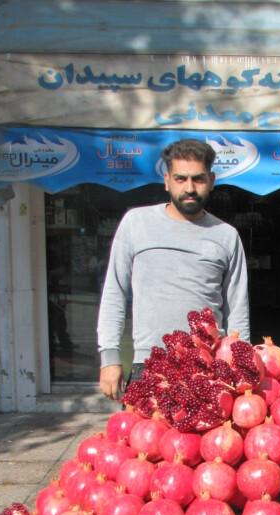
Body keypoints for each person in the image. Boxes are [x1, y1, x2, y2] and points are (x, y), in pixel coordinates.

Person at [97, 138, 250, 399]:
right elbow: (115, 293)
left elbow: (237, 310)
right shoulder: (136, 223)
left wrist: (241, 365)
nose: (189, 188)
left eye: (198, 179)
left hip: (208, 369)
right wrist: (109, 357)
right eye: (181, 179)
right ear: (167, 180)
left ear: (211, 180)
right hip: (150, 364)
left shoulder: (226, 236)